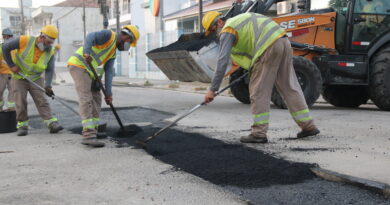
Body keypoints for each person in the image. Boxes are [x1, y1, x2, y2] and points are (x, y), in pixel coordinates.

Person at [202, 11, 320, 143]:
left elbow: (222, 61)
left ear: (219, 22)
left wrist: (212, 89)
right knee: (290, 87)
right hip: (283, 41)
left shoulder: (228, 29)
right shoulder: (239, 22)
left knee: (258, 91)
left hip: (268, 46)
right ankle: (308, 126)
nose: (215, 34)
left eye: (213, 30)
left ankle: (259, 133)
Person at [67, 25, 140, 147]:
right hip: (79, 65)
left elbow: (109, 72)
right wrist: (86, 52)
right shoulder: (109, 35)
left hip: (90, 71)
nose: (128, 46)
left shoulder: (112, 53)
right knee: (86, 98)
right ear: (127, 36)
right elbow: (90, 36)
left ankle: (94, 130)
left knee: (97, 98)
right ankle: (88, 135)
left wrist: (108, 93)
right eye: (129, 42)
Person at [2, 25, 64, 136]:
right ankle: (22, 125)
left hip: (35, 78)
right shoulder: (25, 40)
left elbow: (49, 70)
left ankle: (51, 123)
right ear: (41, 36)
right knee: (20, 101)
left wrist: (48, 85)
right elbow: (5, 47)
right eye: (48, 42)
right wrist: (11, 65)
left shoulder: (50, 51)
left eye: (51, 43)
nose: (48, 45)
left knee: (42, 100)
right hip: (19, 77)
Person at [0, 28, 15, 111]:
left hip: (12, 73)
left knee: (12, 91)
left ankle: (11, 108)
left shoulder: (14, 48)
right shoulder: (1, 47)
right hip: (2, 73)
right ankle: (0, 107)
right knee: (0, 91)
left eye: (9, 36)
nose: (8, 38)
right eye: (6, 36)